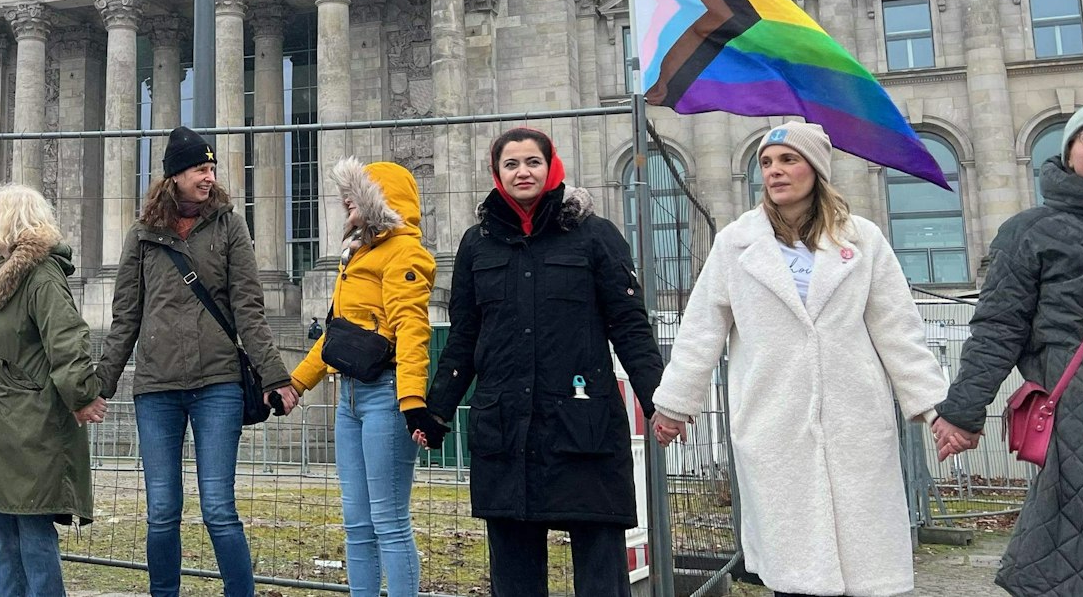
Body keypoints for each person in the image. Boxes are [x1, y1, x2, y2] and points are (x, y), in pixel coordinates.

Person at [649, 122, 947, 597]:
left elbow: (898, 329)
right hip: (774, 419)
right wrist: (674, 404)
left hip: (854, 419)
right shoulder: (736, 243)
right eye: (766, 163)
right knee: (795, 569)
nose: (775, 171)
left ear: (816, 169)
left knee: (864, 566)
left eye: (788, 160)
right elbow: (700, 330)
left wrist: (934, 407)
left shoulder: (862, 240)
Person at [422, 127, 663, 597]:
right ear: (497, 175)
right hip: (506, 427)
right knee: (513, 573)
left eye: (532, 161)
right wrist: (437, 408)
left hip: (582, 427)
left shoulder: (595, 236)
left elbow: (630, 325)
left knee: (600, 572)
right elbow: (465, 335)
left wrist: (660, 399)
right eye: (511, 165)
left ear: (551, 167)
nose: (522, 172)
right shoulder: (477, 244)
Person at [934, 99, 1083, 596]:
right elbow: (999, 327)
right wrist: (963, 411)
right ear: (1069, 154)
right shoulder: (1030, 231)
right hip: (1082, 425)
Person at [98, 126, 295, 597]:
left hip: (218, 385)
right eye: (199, 169)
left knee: (219, 509)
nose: (209, 177)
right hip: (157, 388)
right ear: (175, 176)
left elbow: (249, 307)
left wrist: (275, 375)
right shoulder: (143, 234)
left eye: (212, 169)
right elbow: (125, 316)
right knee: (162, 510)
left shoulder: (230, 225)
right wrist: (99, 385)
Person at [290, 158, 438, 597]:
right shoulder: (356, 255)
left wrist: (412, 401)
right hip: (349, 398)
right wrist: (297, 383)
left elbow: (413, 327)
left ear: (378, 196)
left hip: (387, 395)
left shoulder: (406, 251)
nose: (344, 200)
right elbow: (340, 334)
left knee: (389, 520)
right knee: (357, 523)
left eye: (353, 191)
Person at [0, 185, 105, 597]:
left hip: (31, 433)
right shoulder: (1, 282)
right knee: (4, 544)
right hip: (0, 432)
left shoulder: (41, 276)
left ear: (11, 220)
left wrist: (81, 394)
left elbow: (67, 339)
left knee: (33, 542)